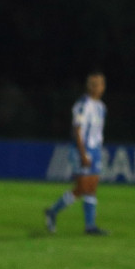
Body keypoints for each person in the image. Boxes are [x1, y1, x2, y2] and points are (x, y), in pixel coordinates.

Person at [44, 72, 108, 235]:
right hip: (82, 150)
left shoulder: (101, 107)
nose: (101, 87)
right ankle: (88, 225)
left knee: (88, 187)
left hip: (95, 150)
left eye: (101, 84)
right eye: (98, 84)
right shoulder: (82, 105)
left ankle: (56, 213)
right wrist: (83, 153)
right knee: (85, 187)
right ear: (91, 87)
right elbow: (77, 131)